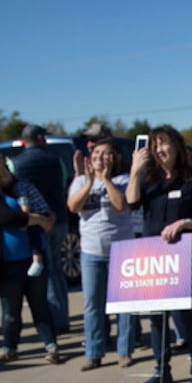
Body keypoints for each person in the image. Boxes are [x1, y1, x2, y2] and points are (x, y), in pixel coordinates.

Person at [126, 125, 192, 383]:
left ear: (176, 147)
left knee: (186, 316)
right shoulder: (148, 180)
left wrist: (185, 223)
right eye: (155, 146)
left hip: (182, 256)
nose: (160, 150)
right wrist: (134, 171)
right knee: (156, 317)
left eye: (164, 144)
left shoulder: (191, 181)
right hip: (153, 257)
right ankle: (161, 370)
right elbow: (131, 203)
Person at [0, 152, 62, 366]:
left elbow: (47, 215)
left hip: (31, 259)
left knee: (40, 304)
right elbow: (8, 218)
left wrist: (41, 219)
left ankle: (51, 345)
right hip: (6, 263)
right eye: (2, 167)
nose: (7, 171)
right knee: (11, 310)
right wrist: (36, 220)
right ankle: (9, 348)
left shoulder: (18, 188)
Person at [69, 139, 138, 370]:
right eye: (97, 152)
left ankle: (124, 351)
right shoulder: (80, 180)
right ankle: (94, 352)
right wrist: (89, 181)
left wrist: (106, 179)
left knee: (123, 305)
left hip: (121, 251)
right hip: (91, 253)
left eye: (106, 153)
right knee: (92, 305)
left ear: (114, 157)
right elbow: (73, 206)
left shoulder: (123, 179)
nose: (101, 157)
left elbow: (122, 205)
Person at [12, 124, 71, 332]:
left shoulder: (16, 164)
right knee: (57, 269)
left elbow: (16, 192)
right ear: (39, 138)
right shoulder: (56, 161)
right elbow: (63, 185)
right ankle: (62, 314)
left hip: (38, 223)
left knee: (48, 270)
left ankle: (58, 319)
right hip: (60, 219)